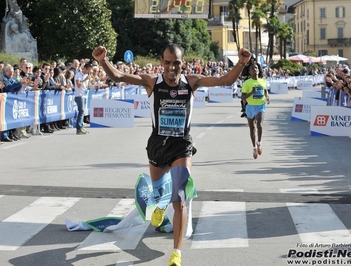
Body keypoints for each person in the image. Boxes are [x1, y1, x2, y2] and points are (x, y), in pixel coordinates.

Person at [92, 44, 251, 266]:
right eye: (167, 62)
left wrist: (242, 63)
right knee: (160, 193)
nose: (171, 67)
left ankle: (176, 252)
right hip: (157, 145)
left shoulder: (192, 82)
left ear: (182, 63)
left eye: (176, 62)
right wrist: (102, 61)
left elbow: (224, 81)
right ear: (161, 63)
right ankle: (158, 206)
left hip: (181, 146)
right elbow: (118, 76)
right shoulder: (151, 82)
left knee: (180, 199)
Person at [241, 61, 270, 159]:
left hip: (261, 105)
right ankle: (254, 148)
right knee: (252, 129)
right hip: (250, 107)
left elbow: (265, 90)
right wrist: (251, 93)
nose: (255, 70)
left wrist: (267, 97)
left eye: (256, 68)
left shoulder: (263, 81)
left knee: (259, 125)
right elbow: (242, 97)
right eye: (252, 69)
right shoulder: (247, 83)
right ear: (249, 72)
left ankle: (259, 143)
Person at [74, 63, 91, 135]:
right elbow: (78, 85)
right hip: (79, 95)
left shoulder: (87, 75)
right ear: (85, 69)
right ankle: (79, 128)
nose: (89, 72)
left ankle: (81, 127)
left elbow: (87, 86)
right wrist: (85, 79)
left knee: (82, 112)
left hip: (84, 95)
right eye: (88, 70)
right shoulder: (78, 75)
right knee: (81, 111)